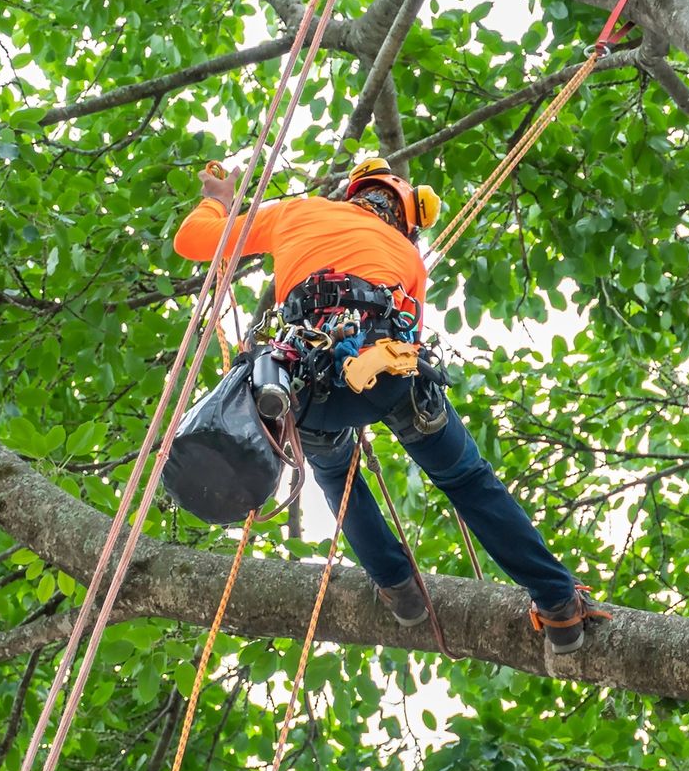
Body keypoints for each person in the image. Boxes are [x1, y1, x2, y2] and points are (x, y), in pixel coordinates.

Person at [173, 157, 608, 654]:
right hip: (387, 374)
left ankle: (398, 588)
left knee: (335, 474)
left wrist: (220, 201)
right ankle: (557, 605)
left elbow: (192, 241)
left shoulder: (298, 212)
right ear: (405, 219)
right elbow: (410, 331)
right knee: (467, 480)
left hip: (305, 388)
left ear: (353, 192)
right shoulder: (407, 255)